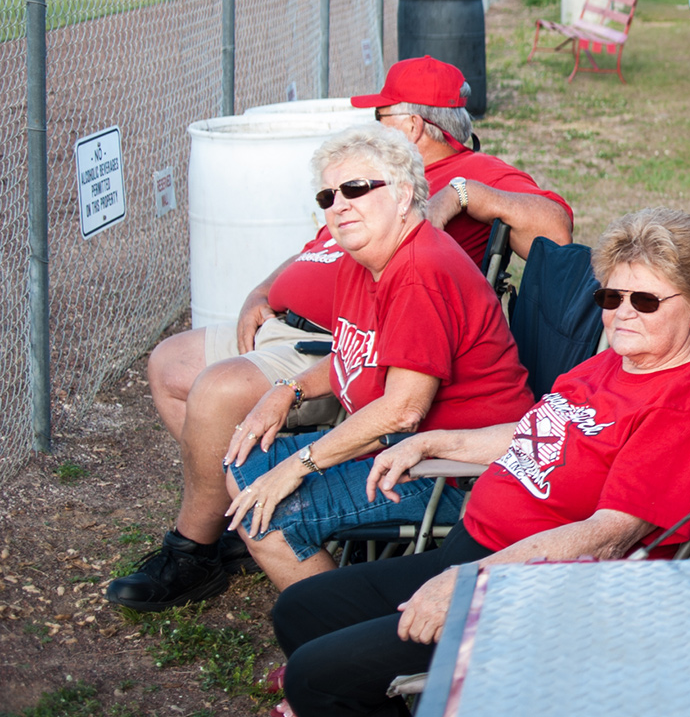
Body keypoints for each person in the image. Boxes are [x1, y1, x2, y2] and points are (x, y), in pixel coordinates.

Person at [269, 208, 690, 717]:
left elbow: (609, 532)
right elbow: (539, 431)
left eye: (645, 300)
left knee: (317, 679)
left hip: (534, 596)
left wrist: (471, 585)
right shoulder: (614, 363)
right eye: (610, 295)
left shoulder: (678, 400)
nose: (621, 313)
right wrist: (437, 443)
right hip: (473, 552)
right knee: (302, 610)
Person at [123, 58, 571, 609]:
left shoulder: (419, 269)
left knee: (275, 508)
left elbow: (404, 409)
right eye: (328, 197)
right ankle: (334, 615)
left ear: (405, 193)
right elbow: (359, 358)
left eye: (356, 189)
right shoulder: (368, 260)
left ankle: (340, 635)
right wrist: (287, 392)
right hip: (398, 444)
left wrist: (299, 465)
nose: (339, 206)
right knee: (243, 467)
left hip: (449, 470)